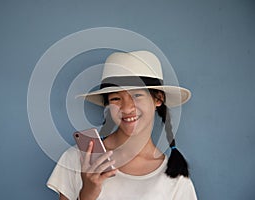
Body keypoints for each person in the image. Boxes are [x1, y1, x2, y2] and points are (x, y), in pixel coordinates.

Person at [47, 50, 197, 200]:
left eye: (137, 95)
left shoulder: (176, 179)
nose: (126, 108)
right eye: (116, 98)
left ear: (158, 99)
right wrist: (87, 194)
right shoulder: (78, 158)